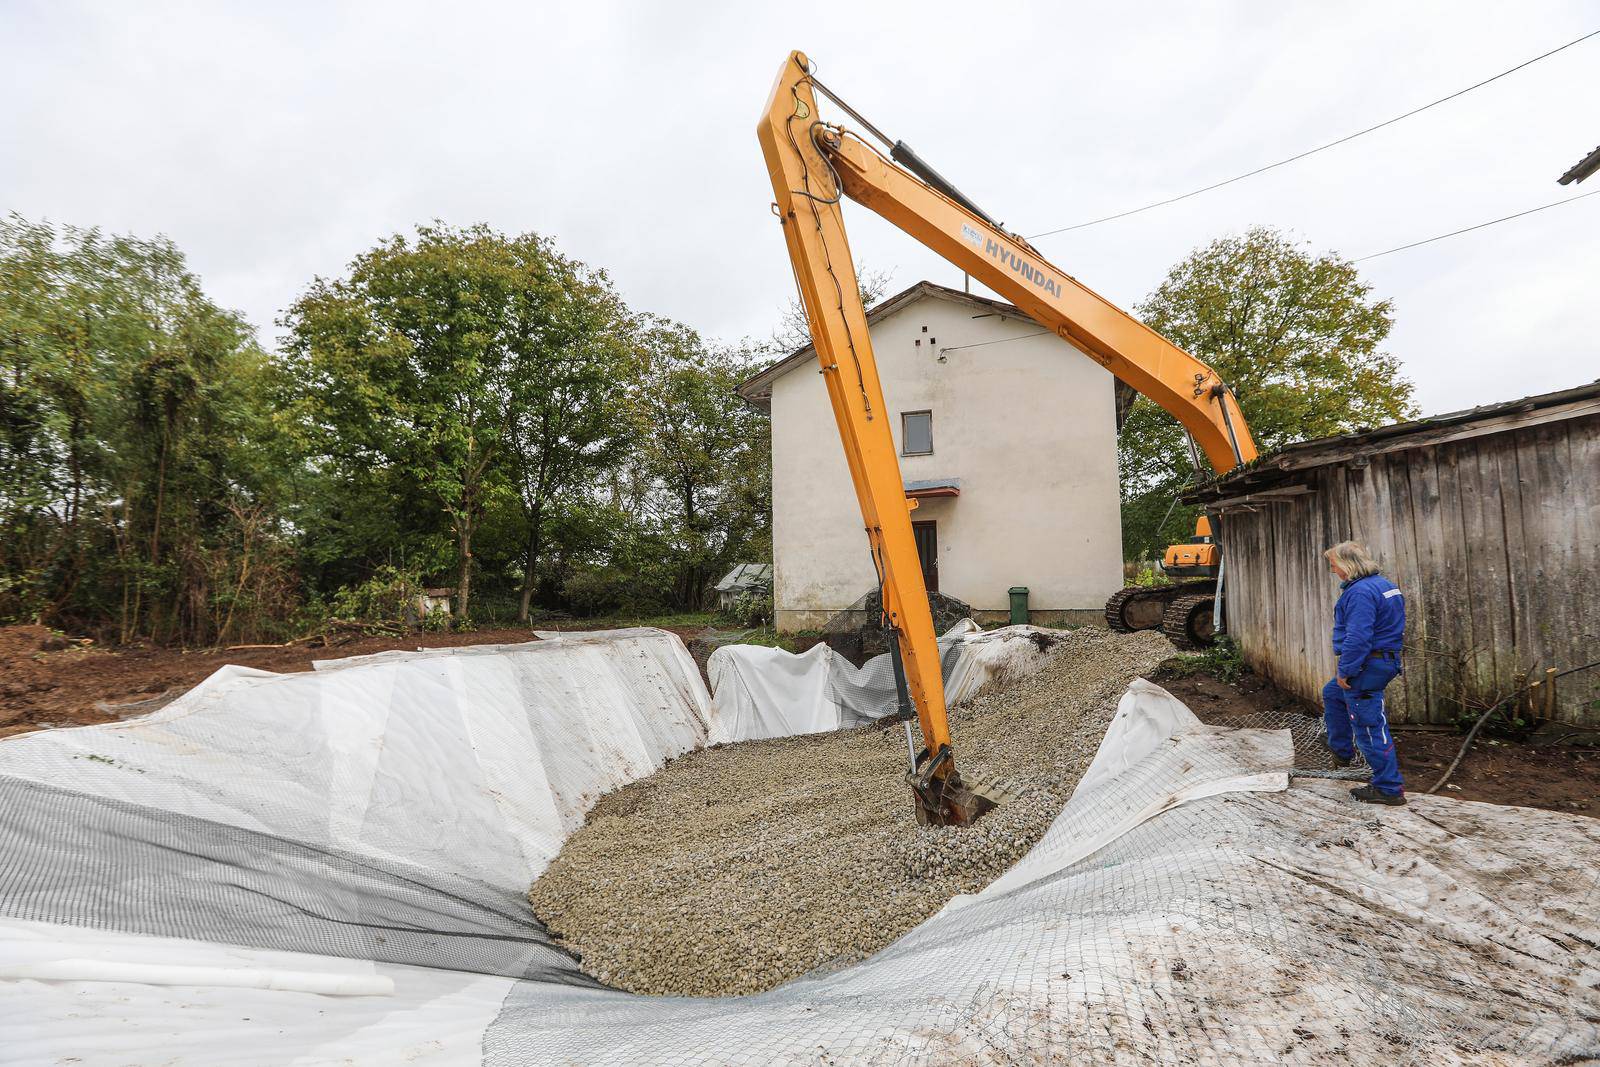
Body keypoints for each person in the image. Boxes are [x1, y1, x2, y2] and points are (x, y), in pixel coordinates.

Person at [1321, 540, 1407, 804]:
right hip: (1384, 660)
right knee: (1333, 693)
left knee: (1369, 725)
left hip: (1367, 665)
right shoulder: (1385, 585)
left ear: (1347, 565)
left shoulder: (1359, 593)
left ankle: (1389, 788)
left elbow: (1358, 637)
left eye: (1334, 565)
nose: (1333, 570)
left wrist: (1346, 670)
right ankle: (1341, 750)